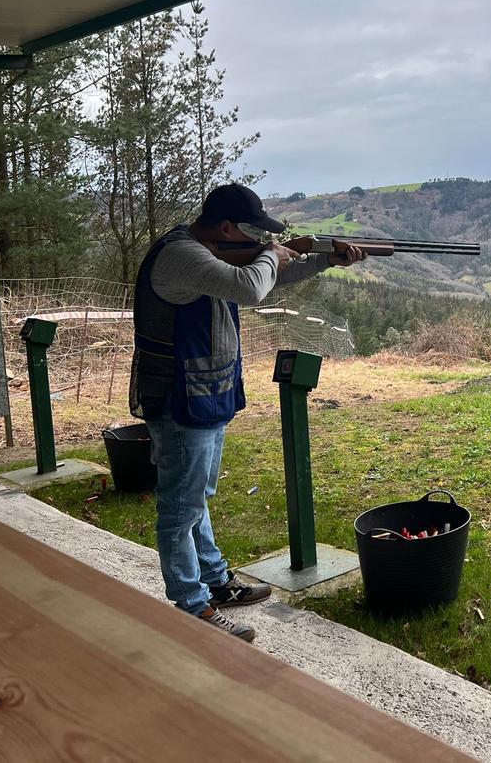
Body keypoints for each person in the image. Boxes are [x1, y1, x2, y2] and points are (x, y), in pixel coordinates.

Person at [130, 183, 365, 641]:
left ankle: (216, 580)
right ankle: (191, 605)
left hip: (205, 392)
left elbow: (267, 276)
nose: (259, 242)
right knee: (180, 506)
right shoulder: (182, 255)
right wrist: (274, 253)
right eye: (253, 234)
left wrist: (323, 260)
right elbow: (252, 287)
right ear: (225, 228)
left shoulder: (209, 251)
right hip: (180, 397)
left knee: (196, 495)